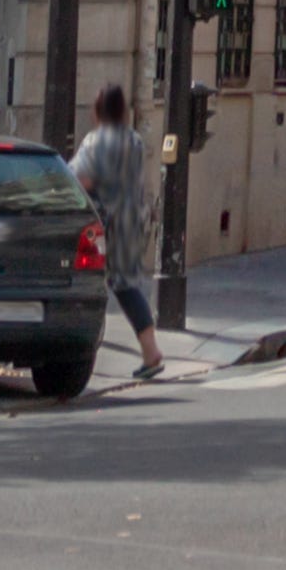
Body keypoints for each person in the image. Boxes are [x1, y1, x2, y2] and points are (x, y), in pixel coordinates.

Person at [75, 83, 166, 384]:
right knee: (127, 285)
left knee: (93, 283)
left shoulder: (96, 141)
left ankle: (85, 349)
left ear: (99, 110)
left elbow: (79, 178)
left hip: (104, 222)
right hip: (133, 219)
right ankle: (150, 350)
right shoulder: (135, 140)